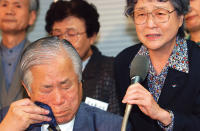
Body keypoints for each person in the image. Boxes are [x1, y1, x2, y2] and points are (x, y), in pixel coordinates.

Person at [0, 37, 131, 131]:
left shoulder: (113, 126)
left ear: (80, 82)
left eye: (66, 86)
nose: (58, 100)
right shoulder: (5, 120)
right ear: (28, 89)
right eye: (47, 89)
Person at [114, 0, 200, 130]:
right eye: (141, 14)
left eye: (160, 13)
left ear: (180, 18)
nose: (150, 24)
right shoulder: (124, 61)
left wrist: (163, 116)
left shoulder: (196, 61)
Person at [45, 0, 120, 114]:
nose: (64, 41)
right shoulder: (44, 72)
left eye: (71, 34)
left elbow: (117, 123)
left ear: (92, 37)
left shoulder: (113, 70)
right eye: (57, 35)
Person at [0, 0, 39, 109]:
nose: (9, 11)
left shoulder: (42, 58)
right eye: (4, 5)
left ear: (31, 16)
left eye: (17, 6)